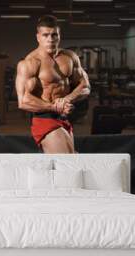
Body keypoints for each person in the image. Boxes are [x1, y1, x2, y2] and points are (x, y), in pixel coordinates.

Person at [15, 15, 90, 153]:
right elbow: (23, 101)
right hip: (44, 119)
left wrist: (66, 99)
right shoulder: (30, 63)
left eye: (54, 35)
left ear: (59, 36)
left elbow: (85, 86)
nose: (50, 39)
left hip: (64, 118)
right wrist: (54, 107)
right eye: (45, 35)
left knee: (67, 161)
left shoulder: (70, 57)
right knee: (68, 161)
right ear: (38, 37)